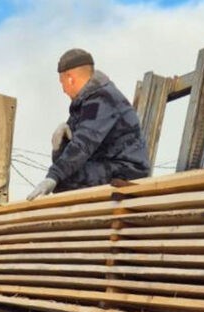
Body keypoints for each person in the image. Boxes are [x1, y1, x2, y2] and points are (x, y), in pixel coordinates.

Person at [27, 48, 150, 200]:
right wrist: (58, 145)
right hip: (107, 164)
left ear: (70, 78)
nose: (63, 90)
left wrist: (53, 176)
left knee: (65, 180)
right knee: (64, 178)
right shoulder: (85, 102)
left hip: (128, 170)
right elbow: (70, 154)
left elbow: (83, 144)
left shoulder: (102, 99)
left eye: (62, 83)